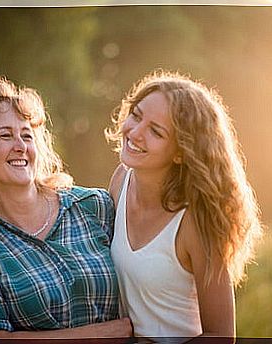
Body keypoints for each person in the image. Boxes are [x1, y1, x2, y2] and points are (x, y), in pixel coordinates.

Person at [0, 77, 131, 339]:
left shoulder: (93, 206)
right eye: (5, 135)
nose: (20, 146)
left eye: (27, 135)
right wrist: (103, 334)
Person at [105, 70, 263, 339]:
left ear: (180, 152)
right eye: (137, 115)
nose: (135, 132)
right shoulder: (121, 180)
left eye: (155, 131)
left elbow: (222, 336)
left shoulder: (194, 222)